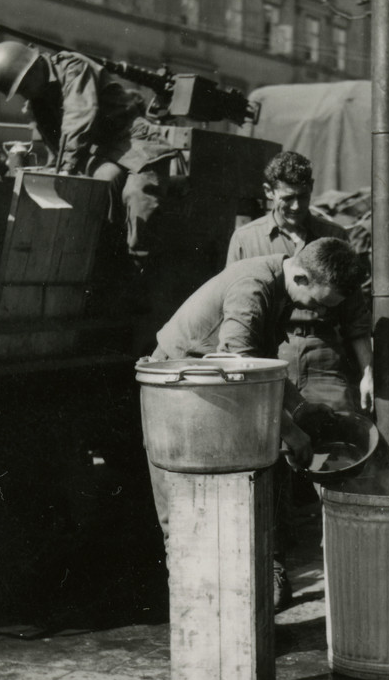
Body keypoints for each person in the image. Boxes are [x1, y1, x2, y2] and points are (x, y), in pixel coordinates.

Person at [145, 237, 366, 594]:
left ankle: (236, 619)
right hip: (178, 399)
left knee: (232, 516)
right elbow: (240, 377)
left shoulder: (281, 287)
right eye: (321, 303)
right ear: (302, 278)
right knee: (187, 522)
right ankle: (197, 624)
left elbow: (262, 367)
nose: (322, 314)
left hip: (213, 395)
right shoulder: (253, 287)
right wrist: (291, 431)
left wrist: (301, 408)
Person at [228, 152, 374, 607]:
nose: (296, 208)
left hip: (326, 352)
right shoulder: (246, 239)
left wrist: (367, 369)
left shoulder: (335, 235)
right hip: (272, 351)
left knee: (347, 445)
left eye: (304, 198)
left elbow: (356, 314)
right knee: (268, 451)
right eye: (288, 199)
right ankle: (275, 566)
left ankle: (353, 561)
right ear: (270, 193)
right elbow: (239, 306)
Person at [0, 41, 178, 275]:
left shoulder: (73, 67)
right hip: (101, 152)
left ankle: (140, 274)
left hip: (135, 141)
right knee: (99, 189)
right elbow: (56, 148)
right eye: (20, 91)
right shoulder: (39, 101)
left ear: (35, 66)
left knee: (138, 197)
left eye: (25, 85)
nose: (25, 93)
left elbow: (78, 117)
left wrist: (65, 169)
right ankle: (105, 267)